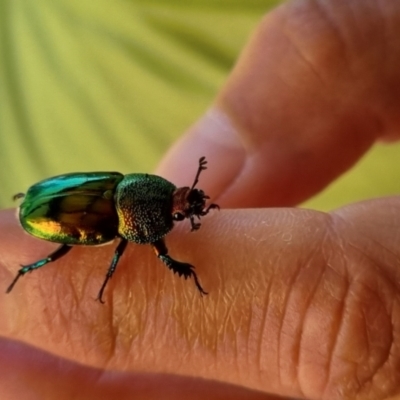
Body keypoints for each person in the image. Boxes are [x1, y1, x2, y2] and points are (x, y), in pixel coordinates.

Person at [1, 0, 400, 399]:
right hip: (41, 193)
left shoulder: (130, 192)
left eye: (179, 202)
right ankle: (24, 270)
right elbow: (149, 251)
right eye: (179, 203)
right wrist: (130, 278)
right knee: (56, 257)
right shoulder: (128, 217)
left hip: (42, 179)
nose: (182, 204)